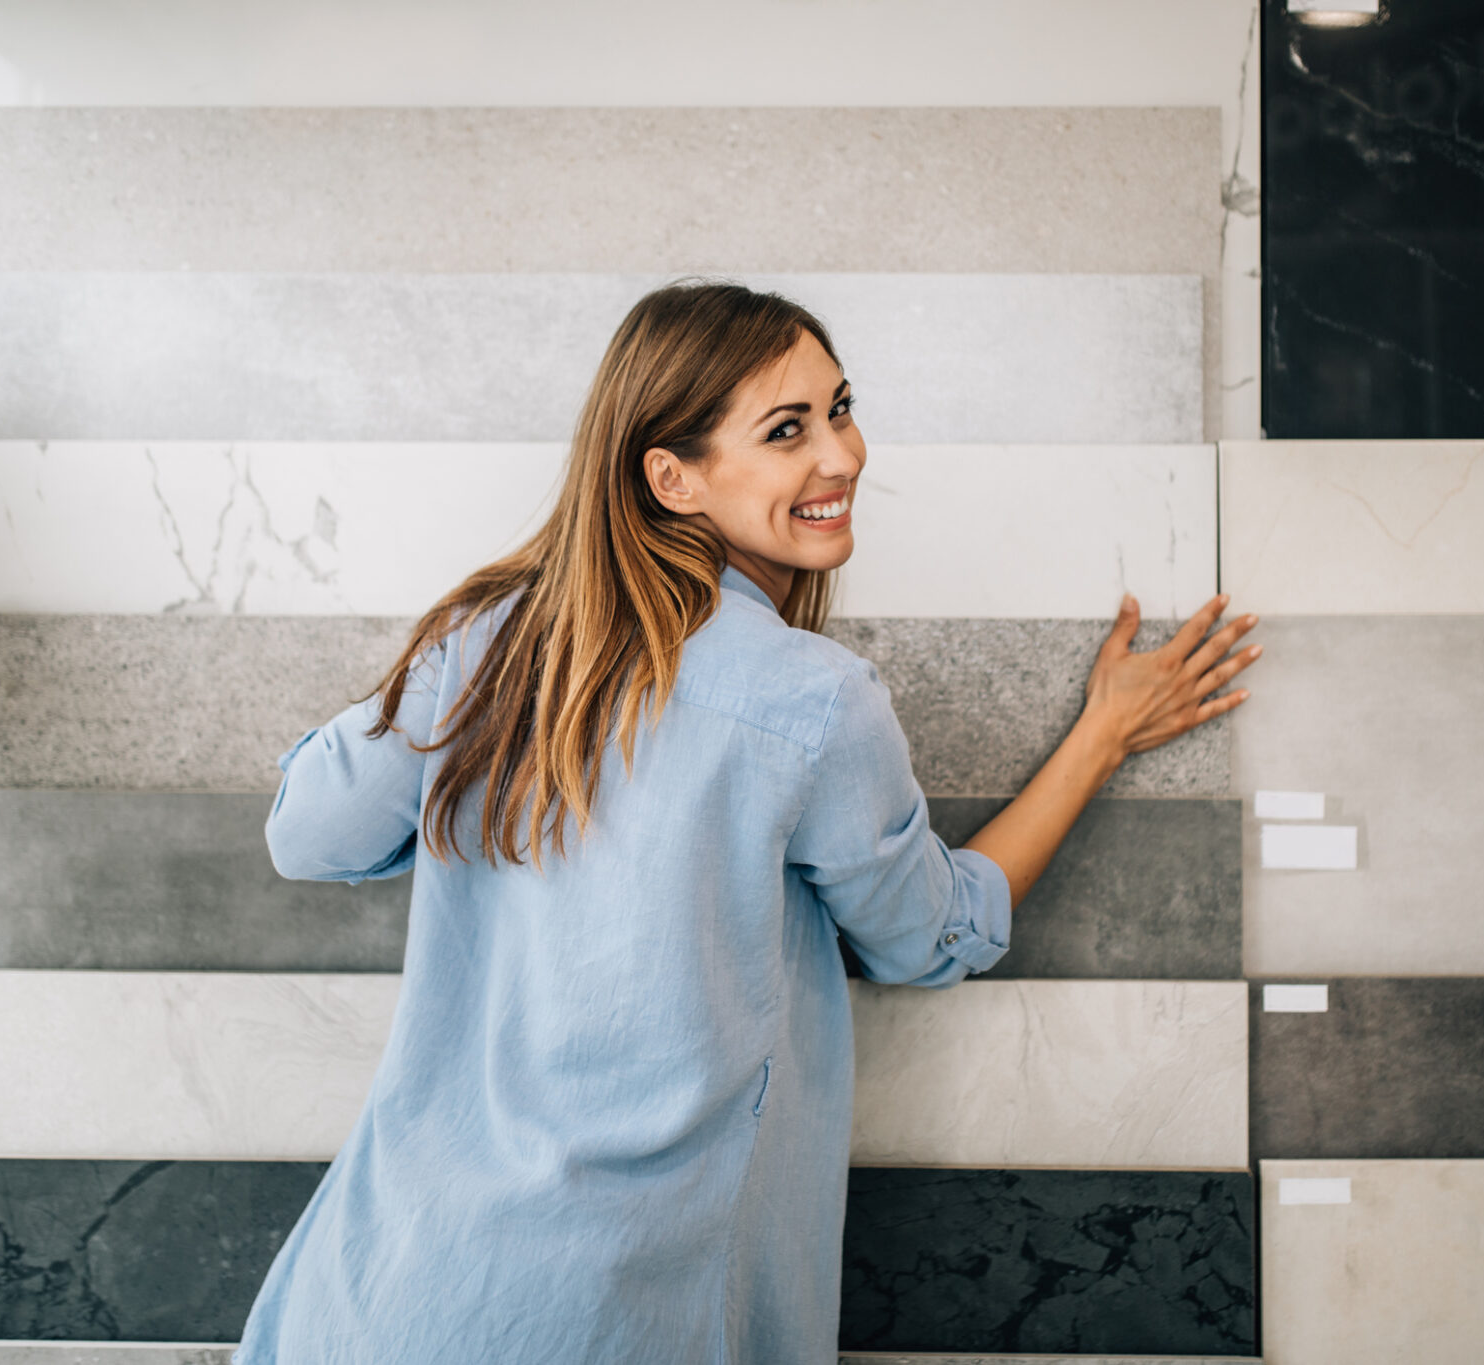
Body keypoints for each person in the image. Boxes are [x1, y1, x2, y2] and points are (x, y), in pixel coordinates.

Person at [231, 279, 1260, 1364]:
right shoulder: (810, 699)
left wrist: (464, 645)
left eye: (838, 408)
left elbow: (310, 833)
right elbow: (930, 936)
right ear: (670, 478)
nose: (841, 456)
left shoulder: (490, 643)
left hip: (381, 1293)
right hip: (619, 1315)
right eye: (785, 431)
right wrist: (1099, 735)